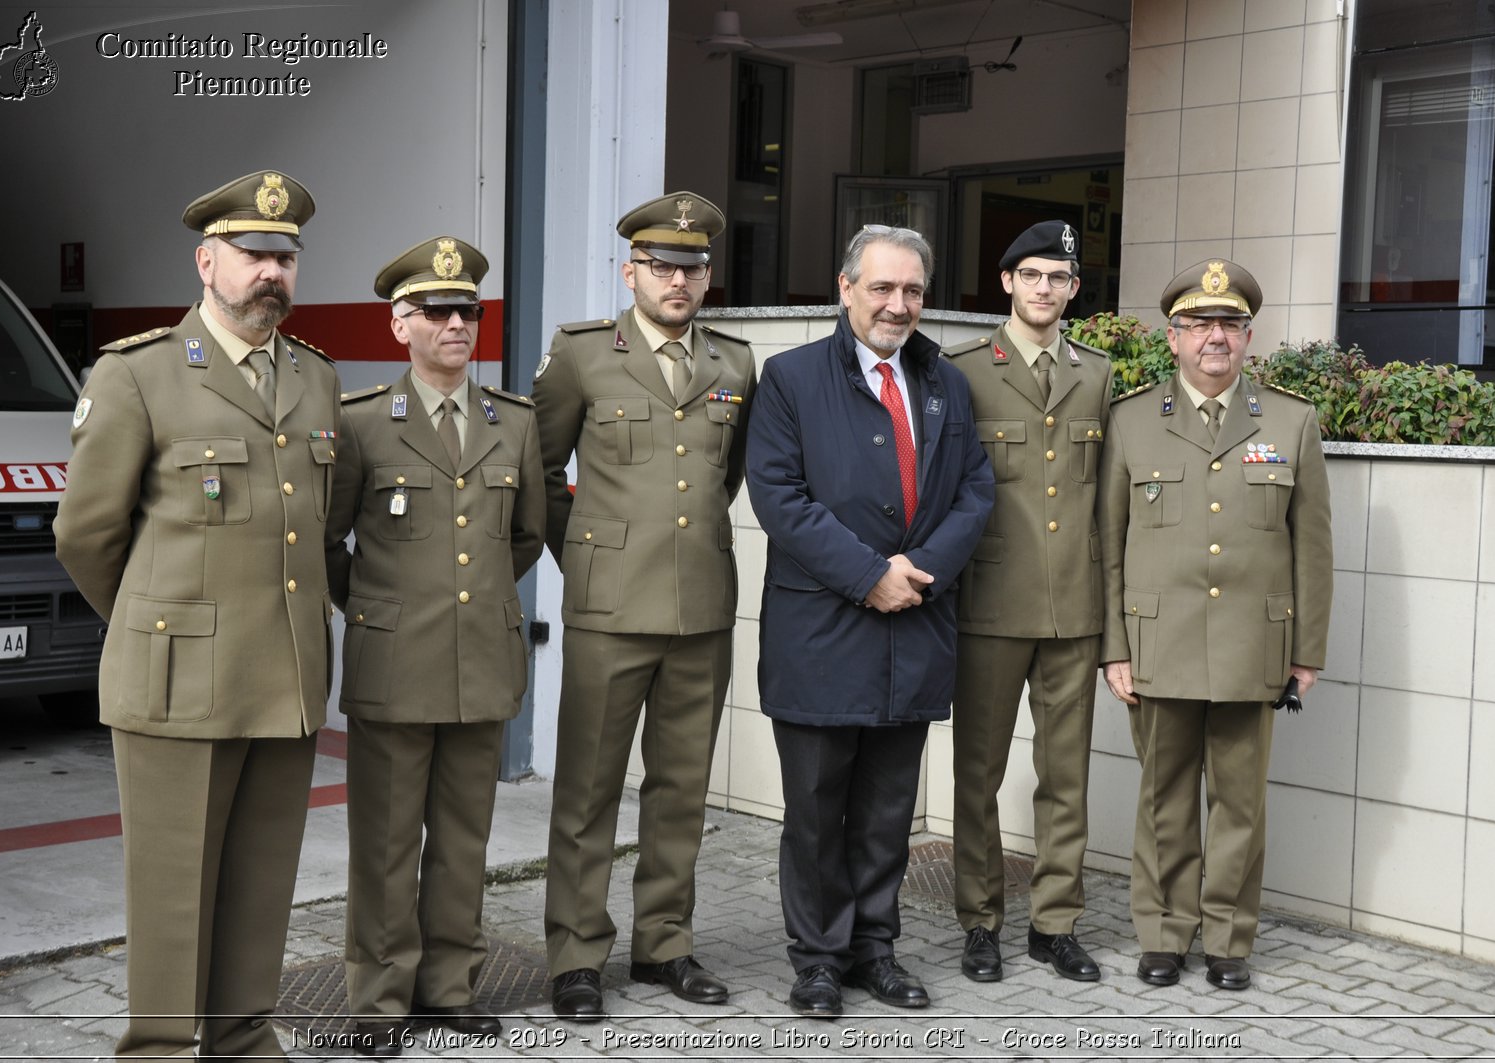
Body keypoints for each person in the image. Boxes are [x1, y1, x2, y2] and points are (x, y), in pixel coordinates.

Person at [54, 170, 337, 1058]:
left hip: (284, 676)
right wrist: (157, 621)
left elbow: (321, 527)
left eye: (285, 257)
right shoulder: (139, 373)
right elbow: (87, 535)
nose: (272, 272)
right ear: (206, 262)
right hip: (177, 680)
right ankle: (163, 1051)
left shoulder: (315, 377)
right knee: (175, 891)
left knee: (260, 884)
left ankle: (244, 1037)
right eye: (254, 254)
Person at [746, 225, 995, 1019]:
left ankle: (873, 950)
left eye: (913, 291)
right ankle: (818, 959)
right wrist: (869, 575)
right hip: (823, 631)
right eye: (883, 288)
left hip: (914, 625)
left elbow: (976, 491)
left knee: (888, 810)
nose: (899, 304)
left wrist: (919, 573)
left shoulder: (945, 384)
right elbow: (779, 497)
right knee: (817, 812)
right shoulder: (788, 379)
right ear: (845, 287)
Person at [532, 191, 755, 1020]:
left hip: (701, 608)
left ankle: (665, 943)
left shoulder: (734, 363)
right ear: (630, 270)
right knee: (588, 790)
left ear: (707, 278)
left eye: (693, 267)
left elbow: (722, 480)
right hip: (608, 611)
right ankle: (576, 955)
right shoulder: (584, 354)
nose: (678, 279)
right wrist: (592, 556)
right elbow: (541, 473)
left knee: (680, 789)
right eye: (661, 265)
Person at [324, 237, 546, 1057]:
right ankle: (378, 1002)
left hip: (480, 664)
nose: (458, 323)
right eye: (439, 311)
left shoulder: (512, 423)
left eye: (469, 311)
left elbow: (524, 539)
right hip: (394, 665)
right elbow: (326, 540)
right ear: (400, 326)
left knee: (463, 841)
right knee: (383, 846)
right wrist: (381, 609)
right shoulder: (359, 424)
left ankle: (449, 988)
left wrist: (470, 606)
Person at [1098, 258, 1332, 991]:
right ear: (1173, 337)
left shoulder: (1290, 421)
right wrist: (1114, 647)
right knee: (1163, 798)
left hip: (1251, 648)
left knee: (1239, 801)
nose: (1215, 338)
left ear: (1249, 336)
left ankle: (1228, 936)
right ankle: (1165, 932)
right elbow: (1107, 545)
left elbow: (1313, 545)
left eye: (1228, 324)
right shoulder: (1133, 420)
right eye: (1199, 325)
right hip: (1158, 642)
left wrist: (1306, 651)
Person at [942, 220, 1113, 983]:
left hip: (1074, 607)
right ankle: (981, 921)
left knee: (1065, 774)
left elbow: (1103, 500)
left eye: (1060, 278)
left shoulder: (1100, 374)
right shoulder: (964, 369)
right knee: (976, 775)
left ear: (1075, 289)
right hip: (987, 606)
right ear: (1007, 281)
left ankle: (1056, 923)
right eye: (1032, 274)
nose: (1046, 288)